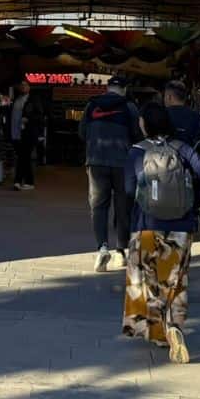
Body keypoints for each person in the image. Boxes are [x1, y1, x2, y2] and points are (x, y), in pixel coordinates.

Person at [123, 102, 200, 364]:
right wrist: (193, 204)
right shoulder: (182, 148)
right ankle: (174, 325)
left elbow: (128, 189)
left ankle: (158, 331)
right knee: (175, 278)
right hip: (181, 226)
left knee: (147, 278)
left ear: (146, 124)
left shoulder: (137, 152)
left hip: (146, 224)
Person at [79, 75, 141, 272]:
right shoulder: (129, 107)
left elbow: (81, 132)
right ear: (123, 89)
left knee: (98, 207)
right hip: (123, 164)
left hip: (96, 162)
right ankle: (120, 251)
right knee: (123, 207)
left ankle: (102, 248)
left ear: (107, 88)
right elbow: (137, 135)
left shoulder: (91, 106)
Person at [10, 81, 39, 190]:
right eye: (21, 85)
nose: (23, 87)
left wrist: (28, 119)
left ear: (29, 87)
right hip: (16, 134)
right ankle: (28, 182)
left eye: (25, 85)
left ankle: (18, 181)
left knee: (23, 157)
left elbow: (39, 115)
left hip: (28, 134)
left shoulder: (33, 100)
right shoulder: (16, 99)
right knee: (23, 158)